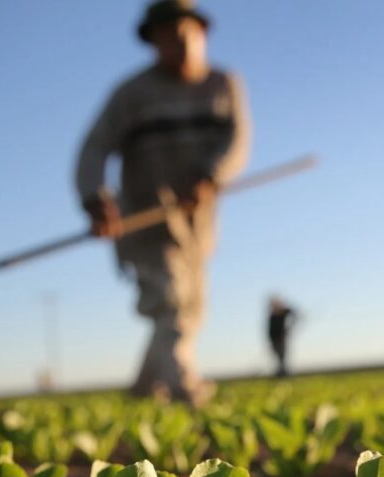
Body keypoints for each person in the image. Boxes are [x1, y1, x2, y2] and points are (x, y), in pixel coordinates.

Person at [75, 0, 251, 405]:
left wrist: (212, 175)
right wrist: (94, 198)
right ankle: (184, 388)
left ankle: (142, 390)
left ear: (202, 34)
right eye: (167, 37)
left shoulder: (224, 85)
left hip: (198, 222)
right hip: (145, 219)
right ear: (153, 43)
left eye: (186, 34)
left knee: (190, 306)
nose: (179, 44)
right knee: (170, 301)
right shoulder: (131, 94)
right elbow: (94, 148)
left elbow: (237, 141)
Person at [267, 297, 297, 377]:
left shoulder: (283, 312)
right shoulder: (272, 316)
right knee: (279, 357)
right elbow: (270, 331)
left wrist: (290, 327)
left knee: (282, 356)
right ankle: (281, 372)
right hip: (274, 340)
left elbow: (294, 313)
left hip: (282, 339)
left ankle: (283, 373)